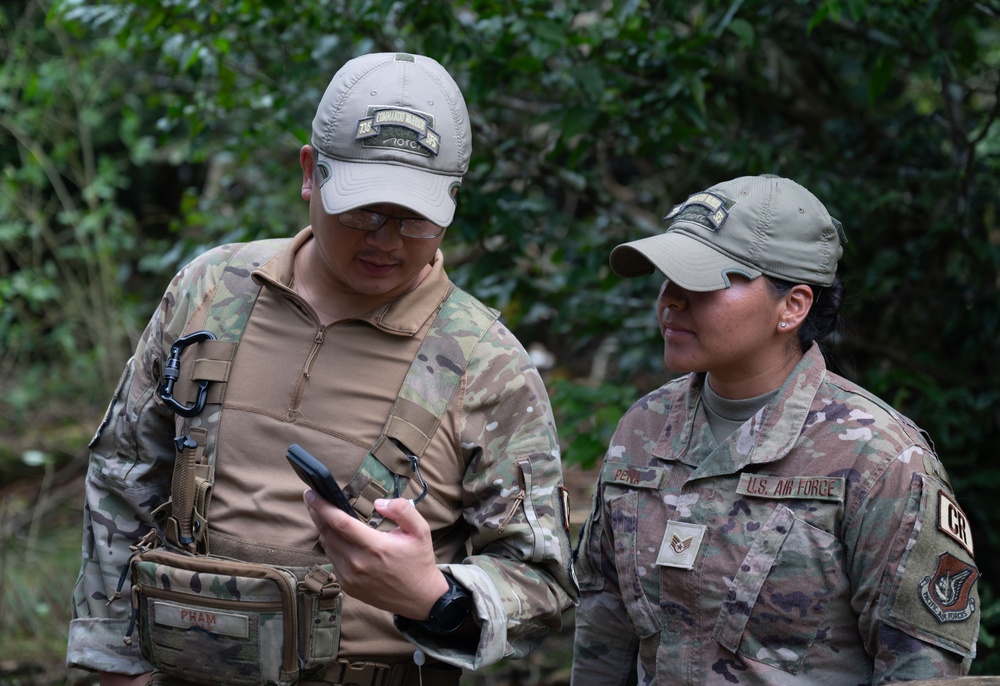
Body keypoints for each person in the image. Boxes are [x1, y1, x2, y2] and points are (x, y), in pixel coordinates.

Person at [67, 52, 577, 686]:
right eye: (364, 209)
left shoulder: (487, 365)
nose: (387, 240)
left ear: (452, 199)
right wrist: (111, 664)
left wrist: (435, 597)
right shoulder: (211, 291)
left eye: (415, 217)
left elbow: (541, 580)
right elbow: (124, 476)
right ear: (311, 173)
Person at [571, 174, 980, 685]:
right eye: (667, 279)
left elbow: (922, 673)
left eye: (703, 282)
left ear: (793, 306)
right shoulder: (644, 429)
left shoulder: (877, 459)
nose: (671, 299)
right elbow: (603, 641)